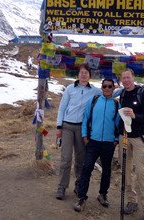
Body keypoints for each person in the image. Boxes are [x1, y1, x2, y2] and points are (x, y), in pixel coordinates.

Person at [73, 78, 120, 212]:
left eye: (110, 86)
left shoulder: (117, 105)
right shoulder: (93, 101)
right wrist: (84, 136)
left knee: (106, 170)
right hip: (93, 142)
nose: (107, 88)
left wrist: (115, 140)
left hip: (108, 143)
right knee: (87, 168)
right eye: (104, 86)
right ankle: (81, 197)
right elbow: (85, 118)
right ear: (101, 87)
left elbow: (118, 124)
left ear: (113, 88)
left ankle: (102, 194)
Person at [55, 63, 101, 200]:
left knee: (81, 159)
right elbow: (62, 108)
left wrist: (123, 90)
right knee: (66, 159)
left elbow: (107, 92)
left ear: (89, 75)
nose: (83, 74)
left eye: (86, 72)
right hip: (67, 126)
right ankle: (62, 187)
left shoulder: (93, 90)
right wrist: (59, 127)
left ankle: (79, 185)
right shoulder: (70, 88)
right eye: (81, 72)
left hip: (82, 128)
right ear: (78, 74)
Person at [118, 68, 144, 220]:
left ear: (133, 77)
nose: (126, 80)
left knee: (142, 173)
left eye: (128, 77)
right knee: (126, 172)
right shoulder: (122, 94)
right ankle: (132, 202)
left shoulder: (143, 93)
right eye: (123, 78)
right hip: (124, 137)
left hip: (139, 138)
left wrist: (134, 115)